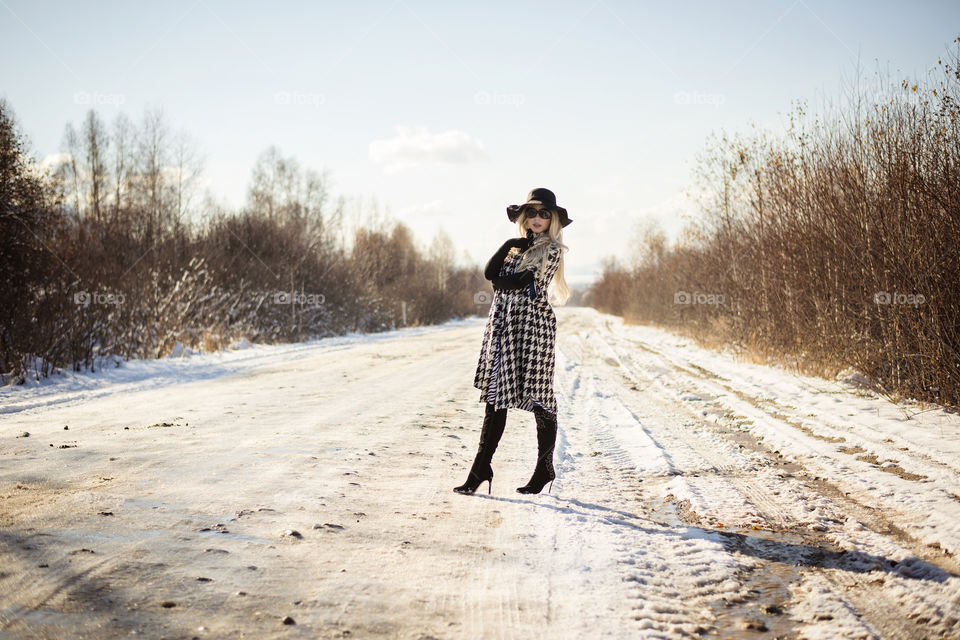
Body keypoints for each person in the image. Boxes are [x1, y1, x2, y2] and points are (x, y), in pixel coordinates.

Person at [454, 187, 572, 496]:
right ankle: (480, 469)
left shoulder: (552, 250)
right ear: (524, 217)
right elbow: (490, 274)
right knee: (496, 395)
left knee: (539, 397)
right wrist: (509, 243)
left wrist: (500, 281)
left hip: (533, 329)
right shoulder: (515, 248)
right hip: (503, 327)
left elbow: (514, 282)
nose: (537, 218)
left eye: (544, 213)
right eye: (531, 212)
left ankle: (544, 468)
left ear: (553, 219)